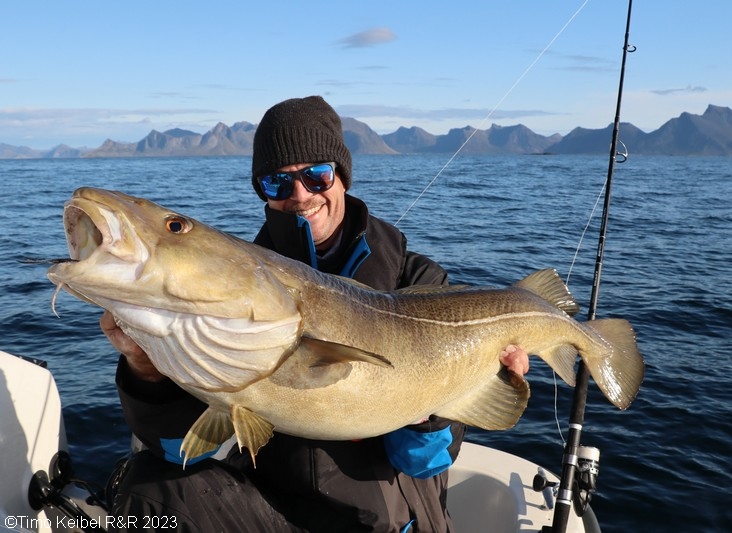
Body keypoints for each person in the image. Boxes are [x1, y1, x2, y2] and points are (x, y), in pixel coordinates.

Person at [102, 95, 530, 532]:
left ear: (341, 177)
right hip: (275, 510)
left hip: (388, 520)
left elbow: (424, 462)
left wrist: (438, 401)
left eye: (316, 175)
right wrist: (147, 371)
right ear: (263, 194)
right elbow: (180, 451)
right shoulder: (230, 291)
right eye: (278, 183)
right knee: (147, 493)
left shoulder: (414, 277)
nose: (301, 195)